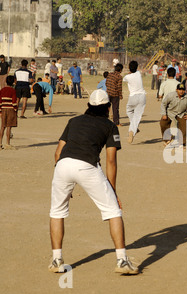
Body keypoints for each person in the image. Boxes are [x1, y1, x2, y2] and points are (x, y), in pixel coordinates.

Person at [48, 89, 138, 275]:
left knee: (57, 211)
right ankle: (121, 260)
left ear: (88, 106)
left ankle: (56, 259)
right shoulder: (110, 125)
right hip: (87, 165)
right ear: (107, 108)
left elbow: (58, 152)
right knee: (113, 211)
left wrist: (66, 181)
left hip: (63, 165)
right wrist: (113, 191)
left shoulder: (74, 121)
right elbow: (111, 161)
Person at [123, 61, 147, 144]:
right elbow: (135, 71)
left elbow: (124, 79)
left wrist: (129, 72)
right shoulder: (138, 73)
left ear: (129, 68)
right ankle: (133, 129)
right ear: (137, 67)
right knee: (137, 115)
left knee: (129, 111)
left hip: (133, 96)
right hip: (142, 96)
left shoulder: (127, 77)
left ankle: (132, 130)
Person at [0, 75, 17, 150]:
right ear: (13, 82)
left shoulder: (2, 90)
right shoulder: (13, 90)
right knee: (9, 127)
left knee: (2, 126)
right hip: (10, 109)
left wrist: (0, 111)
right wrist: (15, 109)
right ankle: (7, 143)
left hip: (3, 109)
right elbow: (14, 102)